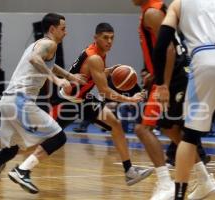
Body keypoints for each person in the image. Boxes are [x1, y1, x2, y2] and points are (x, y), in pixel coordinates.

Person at [0, 13, 87, 197]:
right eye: (63, 29)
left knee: (10, 151)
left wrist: (70, 76)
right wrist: (57, 81)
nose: (66, 32)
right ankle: (22, 171)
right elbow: (35, 60)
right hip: (20, 101)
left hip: (8, 101)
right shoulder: (49, 44)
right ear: (52, 29)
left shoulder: (40, 44)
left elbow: (48, 64)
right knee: (58, 137)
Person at [153, 0, 215, 199]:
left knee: (190, 137)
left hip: (204, 61)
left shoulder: (178, 4)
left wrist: (161, 83)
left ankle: (179, 195)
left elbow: (161, 44)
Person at [50, 22, 153, 186]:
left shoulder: (97, 53)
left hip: (82, 100)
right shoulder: (95, 57)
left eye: (112, 38)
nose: (109, 41)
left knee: (115, 124)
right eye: (105, 38)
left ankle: (129, 171)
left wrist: (109, 70)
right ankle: (4, 155)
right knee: (44, 140)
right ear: (96, 38)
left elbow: (91, 74)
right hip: (66, 102)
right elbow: (105, 91)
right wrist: (130, 99)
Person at [131, 1, 212, 199]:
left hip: (173, 77)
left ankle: (166, 184)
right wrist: (153, 72)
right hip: (173, 74)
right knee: (170, 128)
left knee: (142, 129)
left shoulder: (152, 12)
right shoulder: (152, 10)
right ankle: (204, 180)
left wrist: (163, 84)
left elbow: (168, 49)